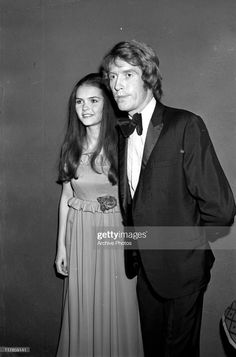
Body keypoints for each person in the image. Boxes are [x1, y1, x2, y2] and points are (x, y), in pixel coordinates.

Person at [101, 40, 236, 356]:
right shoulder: (122, 134)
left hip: (183, 269)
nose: (116, 85)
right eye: (111, 76)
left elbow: (222, 208)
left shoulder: (185, 124)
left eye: (127, 75)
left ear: (147, 76)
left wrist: (182, 240)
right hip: (145, 271)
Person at [55, 73, 143, 357]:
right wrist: (61, 247)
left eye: (93, 100)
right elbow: (67, 197)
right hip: (79, 234)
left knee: (116, 305)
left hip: (113, 235)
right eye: (79, 102)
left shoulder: (123, 145)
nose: (85, 108)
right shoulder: (72, 145)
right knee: (83, 305)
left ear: (107, 104)